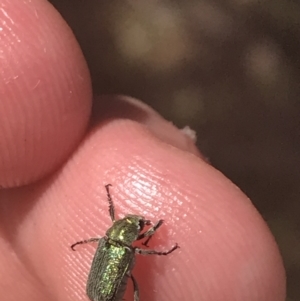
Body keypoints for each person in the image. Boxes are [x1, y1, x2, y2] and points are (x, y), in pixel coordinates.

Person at [0, 1, 285, 300]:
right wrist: (161, 247)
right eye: (136, 227)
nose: (137, 225)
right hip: (105, 291)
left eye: (134, 226)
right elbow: (148, 252)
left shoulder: (111, 239)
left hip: (99, 285)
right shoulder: (120, 244)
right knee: (135, 288)